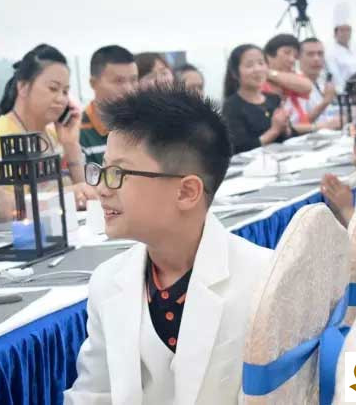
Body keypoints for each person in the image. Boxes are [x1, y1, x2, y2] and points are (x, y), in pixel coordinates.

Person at [64, 85, 274, 404]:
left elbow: (345, 377)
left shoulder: (266, 277)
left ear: (187, 192)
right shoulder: (108, 282)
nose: (102, 189)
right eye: (102, 170)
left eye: (118, 172)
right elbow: (93, 394)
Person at [0, 44, 95, 214]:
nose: (61, 99)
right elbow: (5, 211)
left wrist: (71, 145)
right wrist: (66, 196)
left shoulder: (54, 134)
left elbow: (88, 197)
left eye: (65, 91)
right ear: (23, 87)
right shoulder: (0, 136)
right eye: (53, 88)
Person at [222, 44, 290, 154]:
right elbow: (240, 148)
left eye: (261, 63)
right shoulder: (231, 106)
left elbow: (287, 138)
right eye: (249, 65)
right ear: (235, 73)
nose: (257, 69)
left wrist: (286, 128)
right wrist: (274, 131)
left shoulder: (274, 98)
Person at [80, 45, 138, 165]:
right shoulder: (78, 132)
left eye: (133, 80)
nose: (129, 89)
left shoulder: (144, 125)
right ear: (93, 83)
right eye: (119, 81)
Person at [262, 34, 313, 131]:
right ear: (269, 56)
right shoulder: (258, 84)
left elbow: (307, 87)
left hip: (303, 135)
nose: (292, 59)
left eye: (295, 56)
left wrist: (268, 72)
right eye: (287, 53)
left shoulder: (292, 77)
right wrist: (318, 127)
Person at [297, 37, 341, 131]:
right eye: (310, 54)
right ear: (299, 58)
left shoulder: (324, 82)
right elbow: (298, 124)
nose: (316, 58)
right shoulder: (296, 85)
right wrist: (325, 101)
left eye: (320, 54)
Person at [327, 3, 356, 92]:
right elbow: (336, 78)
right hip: (346, 92)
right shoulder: (330, 54)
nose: (345, 33)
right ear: (335, 33)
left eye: (348, 30)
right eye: (342, 30)